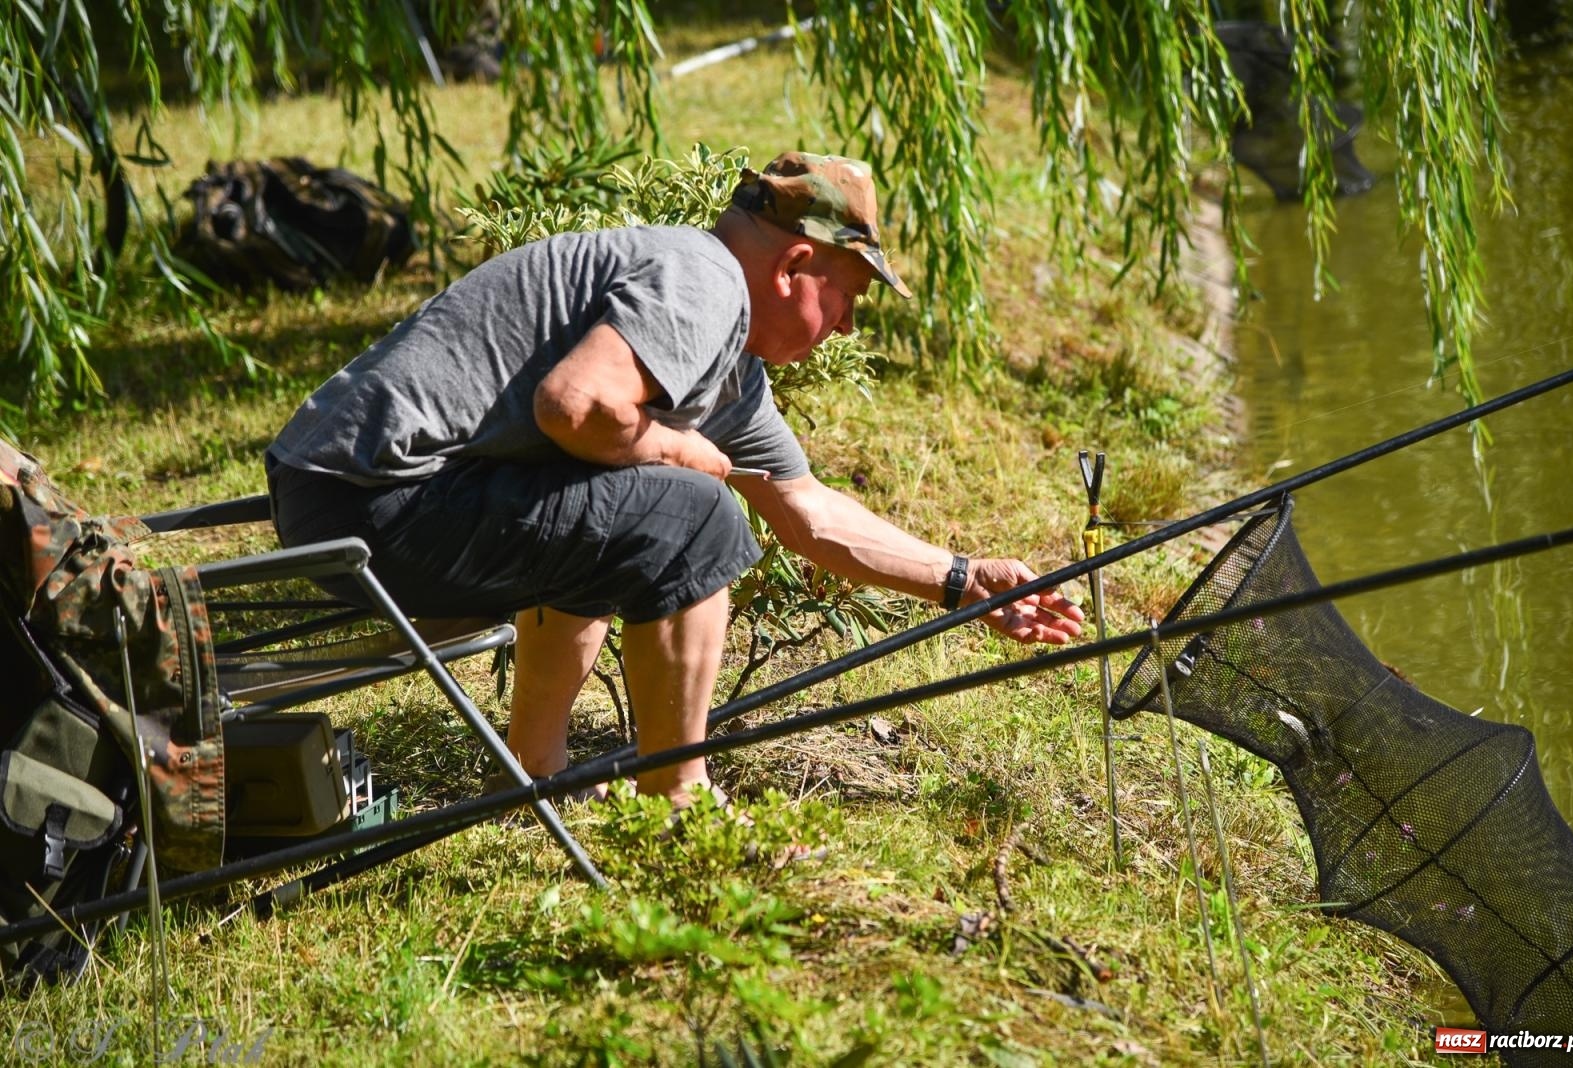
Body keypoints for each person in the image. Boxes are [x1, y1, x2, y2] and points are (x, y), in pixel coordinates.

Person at [265, 151, 1085, 809]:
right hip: (375, 502)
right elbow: (577, 406)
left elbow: (805, 511)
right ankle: (679, 796)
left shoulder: (728, 360)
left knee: (616, 513)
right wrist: (678, 449)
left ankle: (527, 780)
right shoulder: (702, 280)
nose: (846, 328)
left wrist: (960, 578)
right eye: (848, 299)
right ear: (797, 262)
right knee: (689, 512)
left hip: (340, 493)